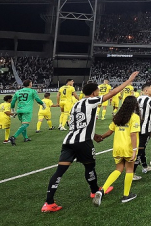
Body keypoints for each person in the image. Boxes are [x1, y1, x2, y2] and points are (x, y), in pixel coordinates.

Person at [42, 71, 138, 212]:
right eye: (98, 92)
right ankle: (94, 191)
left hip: (68, 141)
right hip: (83, 142)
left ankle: (48, 203)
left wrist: (94, 135)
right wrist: (128, 81)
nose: (99, 94)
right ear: (93, 93)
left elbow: (78, 124)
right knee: (89, 167)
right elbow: (111, 94)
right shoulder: (91, 100)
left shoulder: (76, 104)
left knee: (59, 171)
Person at [94, 95, 141, 204]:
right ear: (134, 105)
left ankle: (102, 190)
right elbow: (133, 134)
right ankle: (126, 195)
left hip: (117, 147)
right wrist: (134, 150)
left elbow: (110, 131)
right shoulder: (134, 117)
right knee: (129, 169)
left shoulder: (118, 116)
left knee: (118, 169)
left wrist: (101, 137)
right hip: (128, 147)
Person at [9, 79, 45, 144]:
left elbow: (13, 102)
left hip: (19, 110)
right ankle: (14, 137)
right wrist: (43, 104)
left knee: (23, 124)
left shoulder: (18, 91)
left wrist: (13, 110)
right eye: (31, 83)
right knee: (25, 124)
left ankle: (26, 138)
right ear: (30, 84)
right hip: (27, 110)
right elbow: (37, 99)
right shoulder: (32, 91)